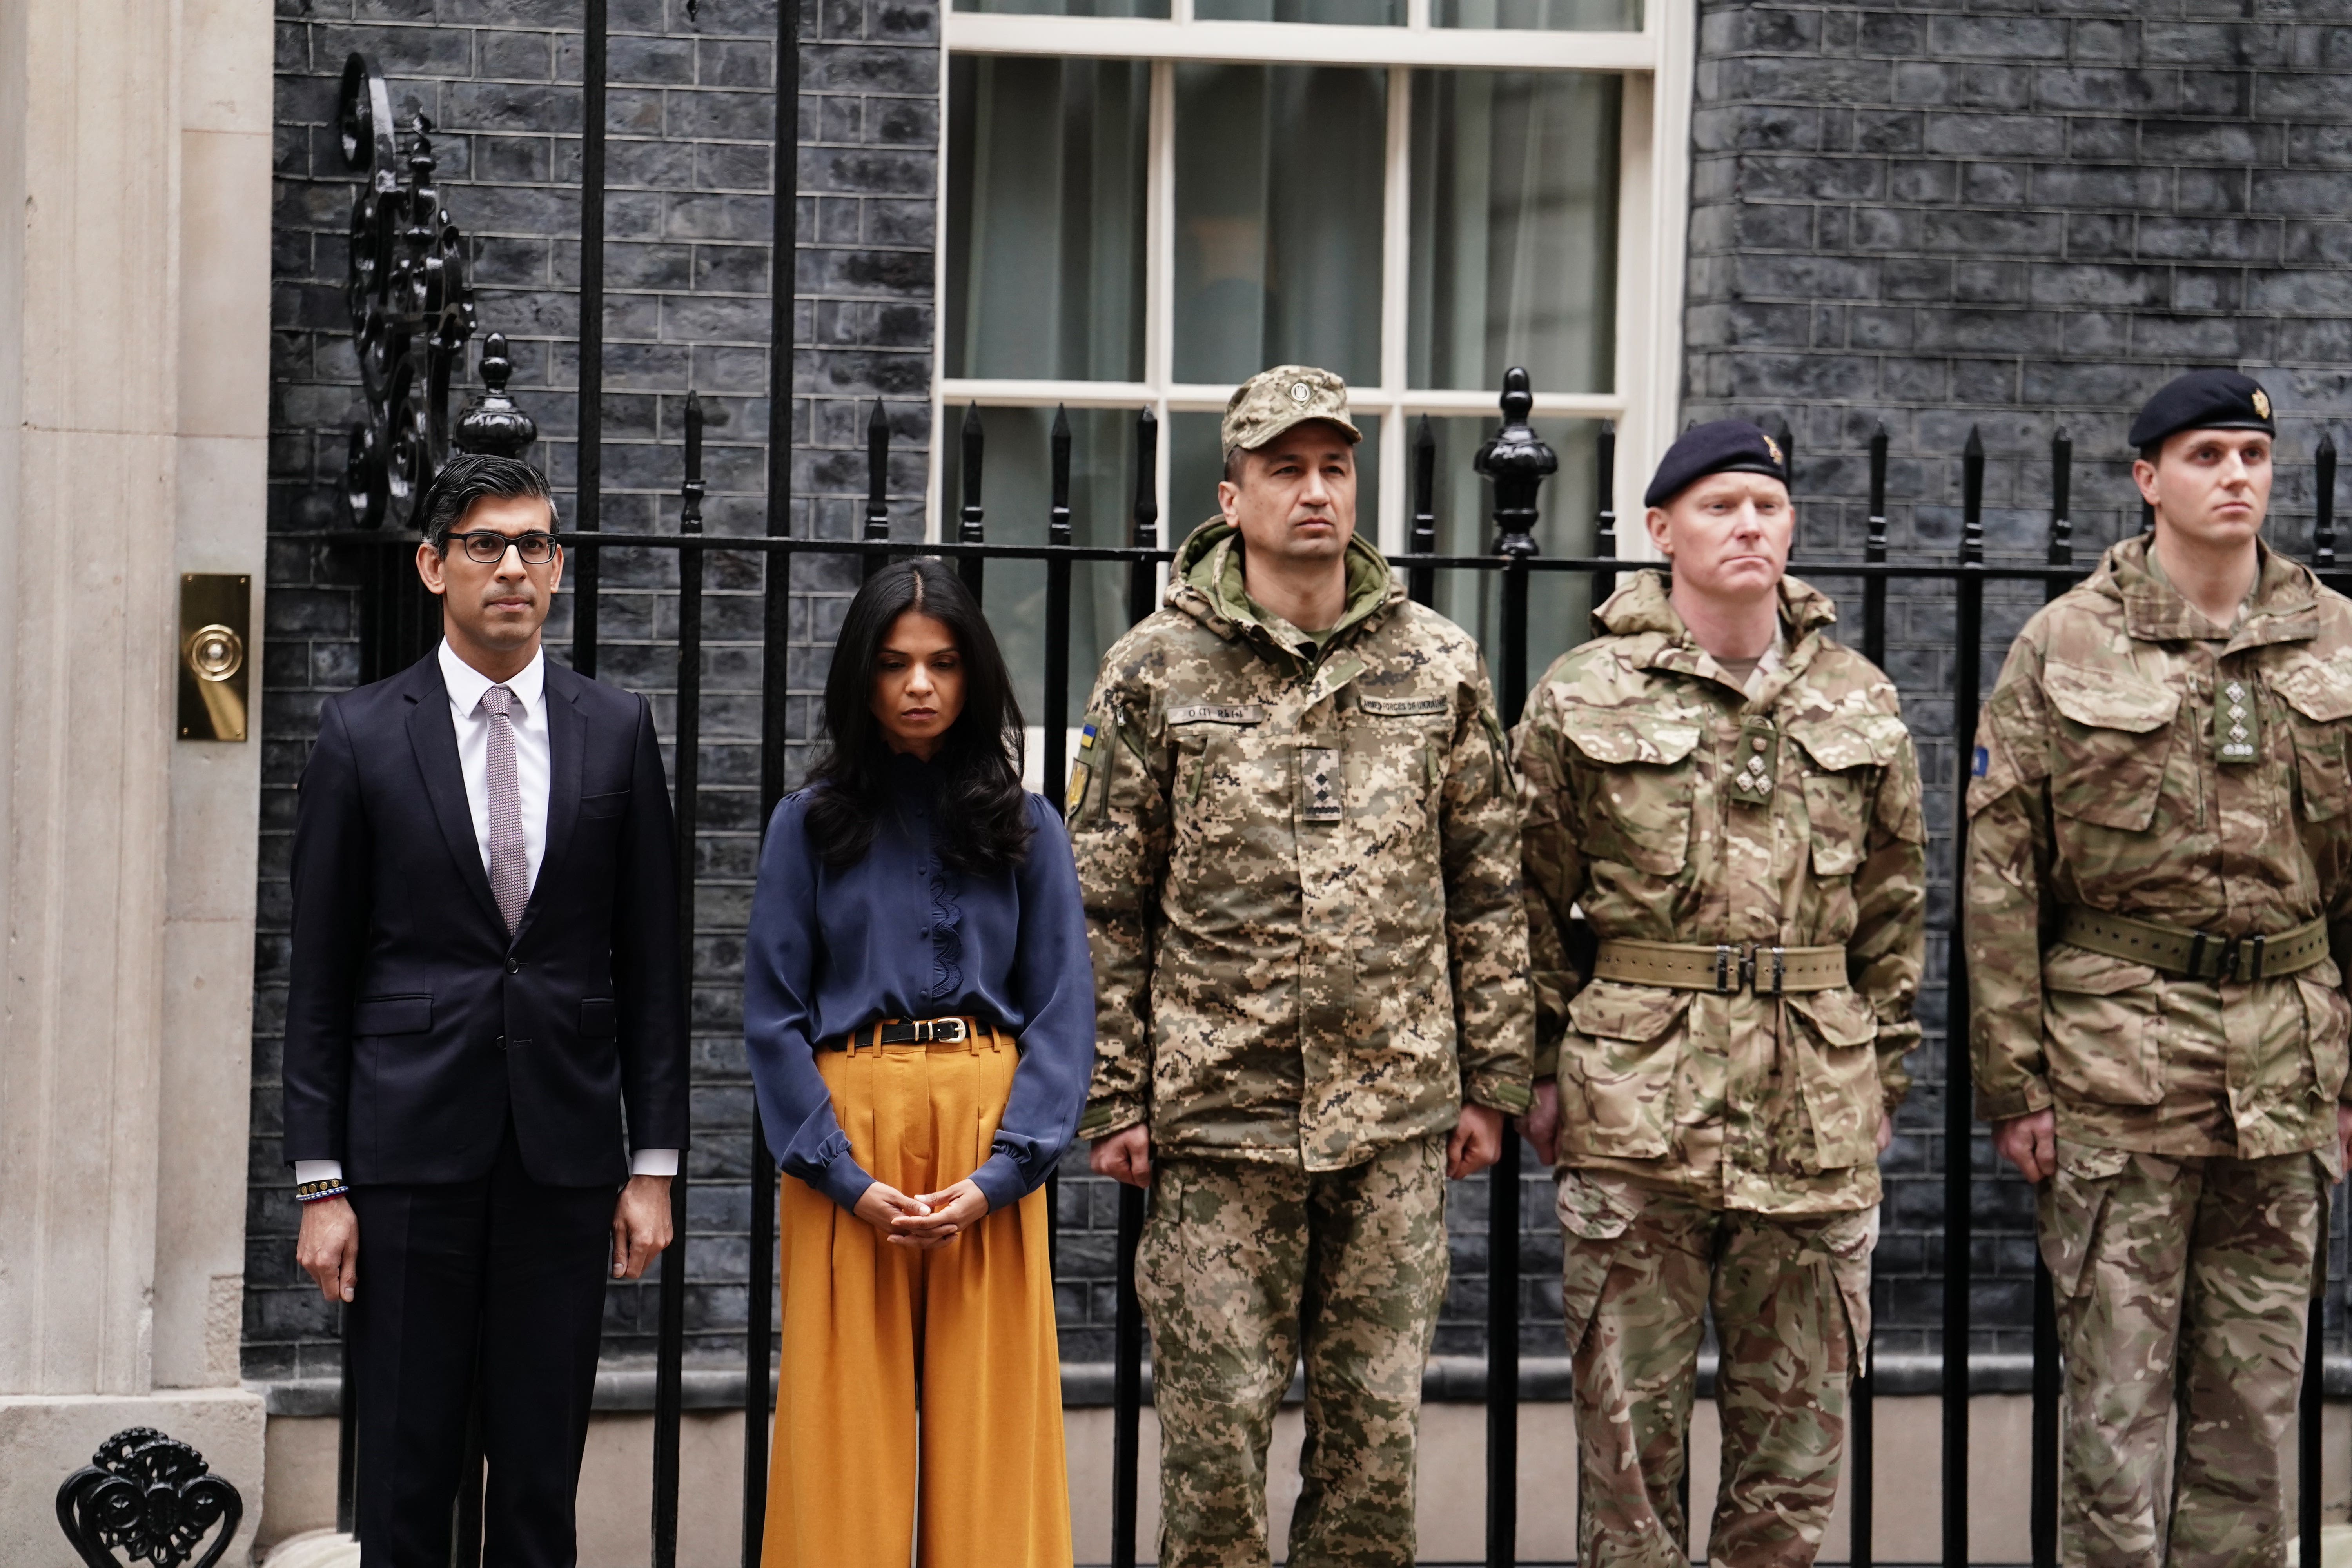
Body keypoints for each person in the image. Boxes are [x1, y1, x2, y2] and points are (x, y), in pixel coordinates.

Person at [1073, 365, 1534, 1568]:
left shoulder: (1437, 665)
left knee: (1373, 1452)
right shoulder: (1153, 670)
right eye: (1286, 470)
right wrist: (1114, 1097)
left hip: (1393, 1121)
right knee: (1214, 1454)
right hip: (1217, 1121)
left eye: (1334, 468)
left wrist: (1494, 1078)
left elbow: (1487, 883)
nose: (1316, 492)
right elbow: (1105, 901)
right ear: (1233, 495)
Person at [1515, 421, 1926, 1567]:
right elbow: (1524, 897)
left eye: (1767, 506)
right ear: (1661, 531)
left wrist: (1879, 1071)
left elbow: (1896, 906)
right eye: (1718, 507)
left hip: (1814, 1111)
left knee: (1793, 1473)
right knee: (1629, 1471)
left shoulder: (1859, 697)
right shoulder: (1583, 691)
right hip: (1638, 1110)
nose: (1750, 526)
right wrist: (1542, 1070)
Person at [1967, 369, 2352, 1567]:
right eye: (2204, 456)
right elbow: (2001, 876)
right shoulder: (2064, 643)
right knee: (2116, 1419)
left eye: (2251, 453)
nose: (2235, 475)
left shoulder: (2337, 638)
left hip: (2286, 1072)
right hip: (2115, 1076)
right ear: (2148, 481)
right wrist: (2014, 1085)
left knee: (2254, 1414)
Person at [283, 453, 686, 1567]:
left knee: (539, 1483)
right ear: (432, 565)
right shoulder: (362, 734)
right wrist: (322, 1185)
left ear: (556, 568)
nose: (514, 567)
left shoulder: (616, 729)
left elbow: (653, 966)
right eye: (485, 545)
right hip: (406, 1160)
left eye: (535, 545)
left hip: (562, 1161)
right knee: (406, 1482)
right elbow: (315, 981)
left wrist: (651, 1167)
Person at [743, 558, 1093, 1568]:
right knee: (840, 1425)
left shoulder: (1030, 828)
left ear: (973, 675)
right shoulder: (807, 826)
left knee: (993, 1427)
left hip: (989, 1140)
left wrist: (1004, 1174)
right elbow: (772, 1015)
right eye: (894, 664)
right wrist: (842, 1177)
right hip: (846, 1139)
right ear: (864, 678)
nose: (920, 686)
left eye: (943, 663)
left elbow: (1064, 1014)